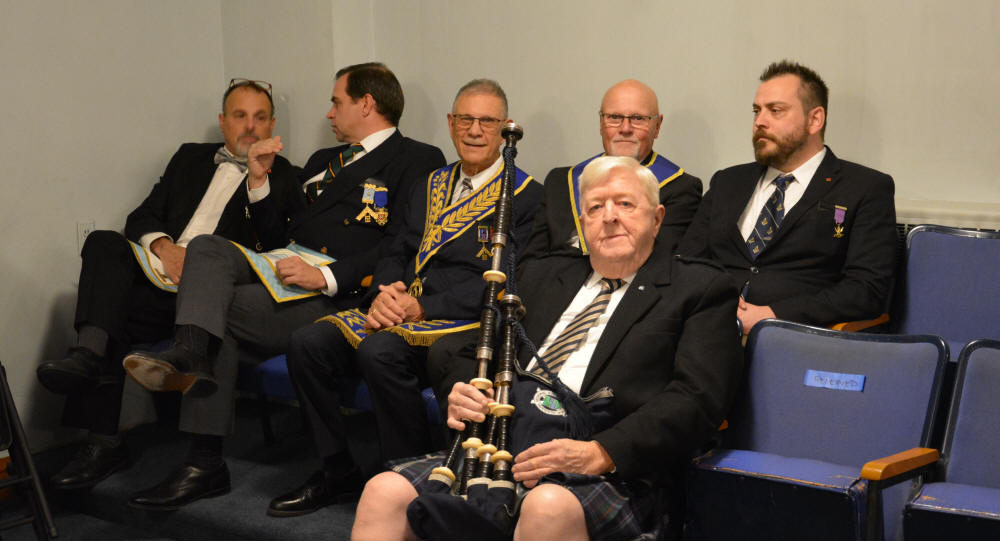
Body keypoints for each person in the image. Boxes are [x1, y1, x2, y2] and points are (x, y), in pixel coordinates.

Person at [324, 156, 742, 541]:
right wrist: (462, 388)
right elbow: (469, 351)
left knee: (546, 508)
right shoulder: (543, 274)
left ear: (657, 219)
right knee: (381, 494)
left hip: (612, 466)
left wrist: (601, 452)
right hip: (505, 444)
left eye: (625, 204)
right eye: (596, 207)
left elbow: (698, 399)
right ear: (582, 223)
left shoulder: (699, 289)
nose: (609, 217)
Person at [118, 63, 446, 510]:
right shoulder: (323, 160)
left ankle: (204, 461)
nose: (329, 113)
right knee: (208, 249)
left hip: (337, 291)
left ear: (366, 104)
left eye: (337, 102)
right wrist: (258, 181)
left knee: (217, 313)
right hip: (283, 269)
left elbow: (402, 243)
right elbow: (275, 235)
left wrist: (326, 276)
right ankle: (190, 352)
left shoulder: (417, 158)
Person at [267, 79, 544, 517]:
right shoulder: (429, 183)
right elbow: (397, 248)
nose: (474, 130)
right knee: (307, 343)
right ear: (450, 123)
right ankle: (336, 470)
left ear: (504, 128)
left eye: (487, 122)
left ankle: (406, 477)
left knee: (380, 351)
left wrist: (421, 307)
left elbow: (509, 280)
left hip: (461, 319)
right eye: (465, 119)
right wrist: (386, 291)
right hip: (400, 306)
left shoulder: (525, 195)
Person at [36, 79, 299, 491]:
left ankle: (113, 441)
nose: (250, 126)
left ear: (272, 125)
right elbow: (141, 217)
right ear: (222, 121)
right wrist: (164, 247)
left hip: (211, 298)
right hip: (162, 276)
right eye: (240, 115)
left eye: (260, 117)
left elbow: (274, 249)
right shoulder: (189, 158)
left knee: (113, 312)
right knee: (103, 246)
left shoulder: (286, 177)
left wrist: (257, 179)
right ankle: (89, 368)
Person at [678, 60, 898, 333]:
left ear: (815, 119)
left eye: (775, 111)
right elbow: (686, 262)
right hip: (707, 326)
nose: (760, 121)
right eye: (757, 111)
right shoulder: (727, 182)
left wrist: (772, 315)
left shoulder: (864, 188)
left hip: (794, 337)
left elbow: (866, 290)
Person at [524, 79, 702, 260]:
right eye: (614, 117)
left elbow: (659, 263)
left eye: (638, 118)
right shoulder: (560, 182)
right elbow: (531, 264)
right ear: (601, 123)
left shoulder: (681, 189)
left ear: (657, 126)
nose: (625, 128)